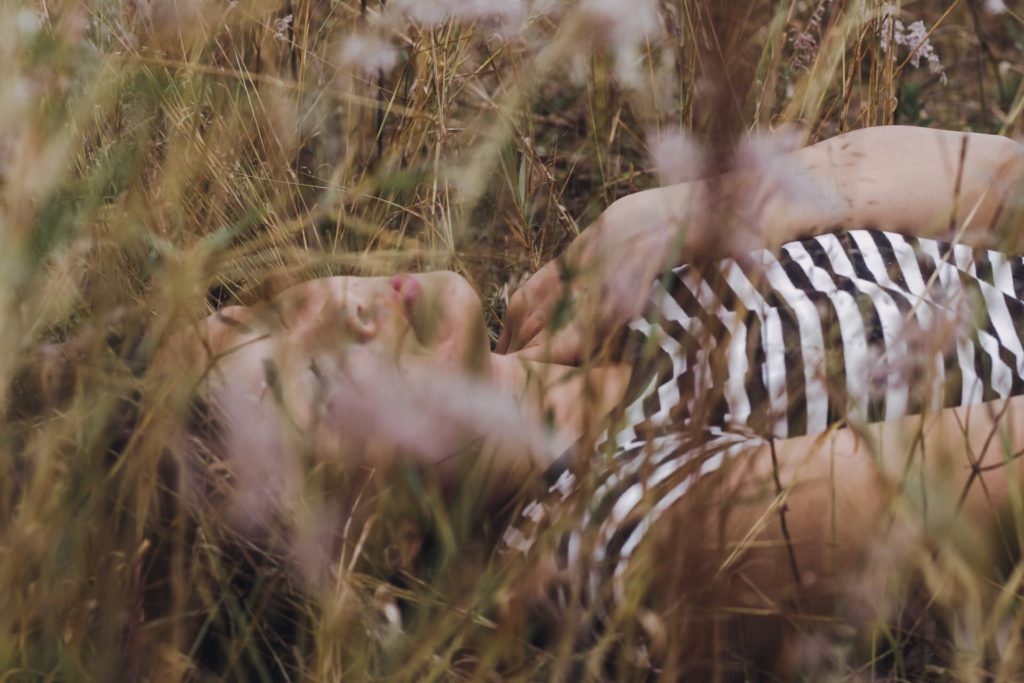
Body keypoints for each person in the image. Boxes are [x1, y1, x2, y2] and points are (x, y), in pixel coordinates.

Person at [174, 125, 1024, 677]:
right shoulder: (620, 542)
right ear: (369, 544)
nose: (347, 311)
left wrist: (699, 204)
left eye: (283, 307)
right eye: (319, 382)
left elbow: (1001, 174)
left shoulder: (618, 290)